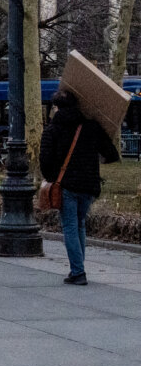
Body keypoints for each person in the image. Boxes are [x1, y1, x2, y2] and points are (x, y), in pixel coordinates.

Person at [40, 87, 120, 285]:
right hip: (90, 185)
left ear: (56, 108)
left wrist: (54, 178)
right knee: (80, 224)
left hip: (66, 185)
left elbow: (45, 161)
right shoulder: (91, 126)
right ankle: (78, 267)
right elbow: (111, 153)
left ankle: (78, 271)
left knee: (69, 227)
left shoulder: (53, 129)